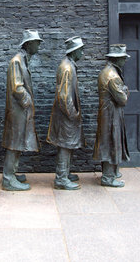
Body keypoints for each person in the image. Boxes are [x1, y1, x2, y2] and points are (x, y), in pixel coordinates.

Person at [1, 29, 43, 191]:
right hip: (18, 112)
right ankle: (8, 178)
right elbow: (17, 87)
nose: (38, 46)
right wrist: (28, 102)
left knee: (18, 143)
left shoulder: (23, 60)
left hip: (21, 112)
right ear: (29, 44)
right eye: (37, 42)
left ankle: (12, 173)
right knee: (14, 144)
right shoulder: (17, 61)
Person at [47, 36, 86, 190]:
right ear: (74, 51)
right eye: (81, 50)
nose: (82, 53)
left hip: (66, 114)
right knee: (65, 144)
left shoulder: (69, 65)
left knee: (68, 144)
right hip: (66, 115)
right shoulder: (67, 68)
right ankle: (61, 178)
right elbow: (64, 96)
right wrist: (72, 114)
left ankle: (65, 173)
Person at [93, 44, 131, 187]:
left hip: (108, 114)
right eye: (123, 58)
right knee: (110, 143)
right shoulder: (113, 76)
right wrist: (126, 90)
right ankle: (108, 177)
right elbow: (122, 99)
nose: (124, 61)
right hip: (111, 116)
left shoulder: (106, 71)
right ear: (117, 59)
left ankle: (111, 172)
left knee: (108, 142)